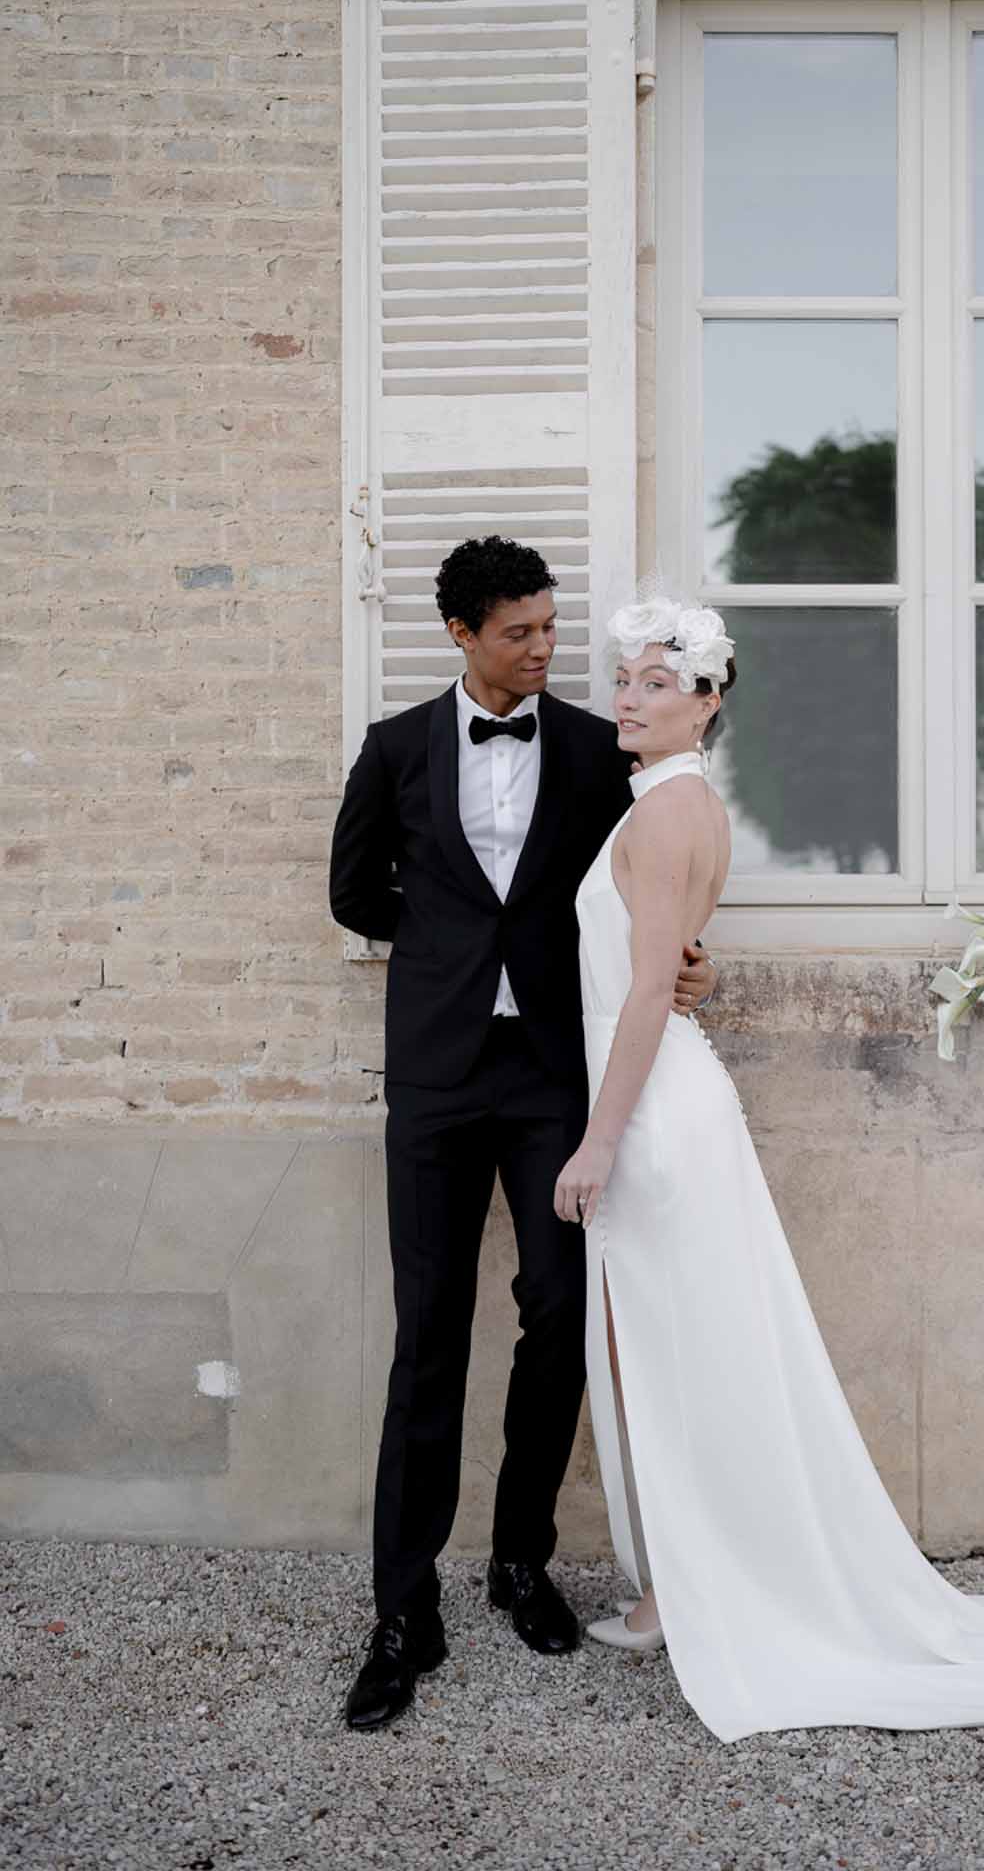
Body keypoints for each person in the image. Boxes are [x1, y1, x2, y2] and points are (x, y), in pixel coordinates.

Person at [552, 590, 984, 1744]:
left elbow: (640, 990)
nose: (629, 696)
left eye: (657, 683)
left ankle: (696, 1591)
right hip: (666, 1093)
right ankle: (682, 1582)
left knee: (684, 1359)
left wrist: (597, 1137)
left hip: (654, 1112)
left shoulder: (672, 813)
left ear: (708, 701)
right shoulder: (671, 804)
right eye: (624, 677)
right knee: (683, 1356)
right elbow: (675, 965)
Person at [328, 539, 718, 1731]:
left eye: (552, 627)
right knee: (428, 1333)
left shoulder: (607, 753)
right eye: (521, 633)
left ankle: (519, 1561)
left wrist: (687, 960)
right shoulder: (396, 748)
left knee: (557, 1314)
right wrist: (451, 945)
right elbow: (353, 894)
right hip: (439, 1078)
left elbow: (647, 885)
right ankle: (403, 1610)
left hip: (556, 1074)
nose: (547, 649)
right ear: (462, 633)